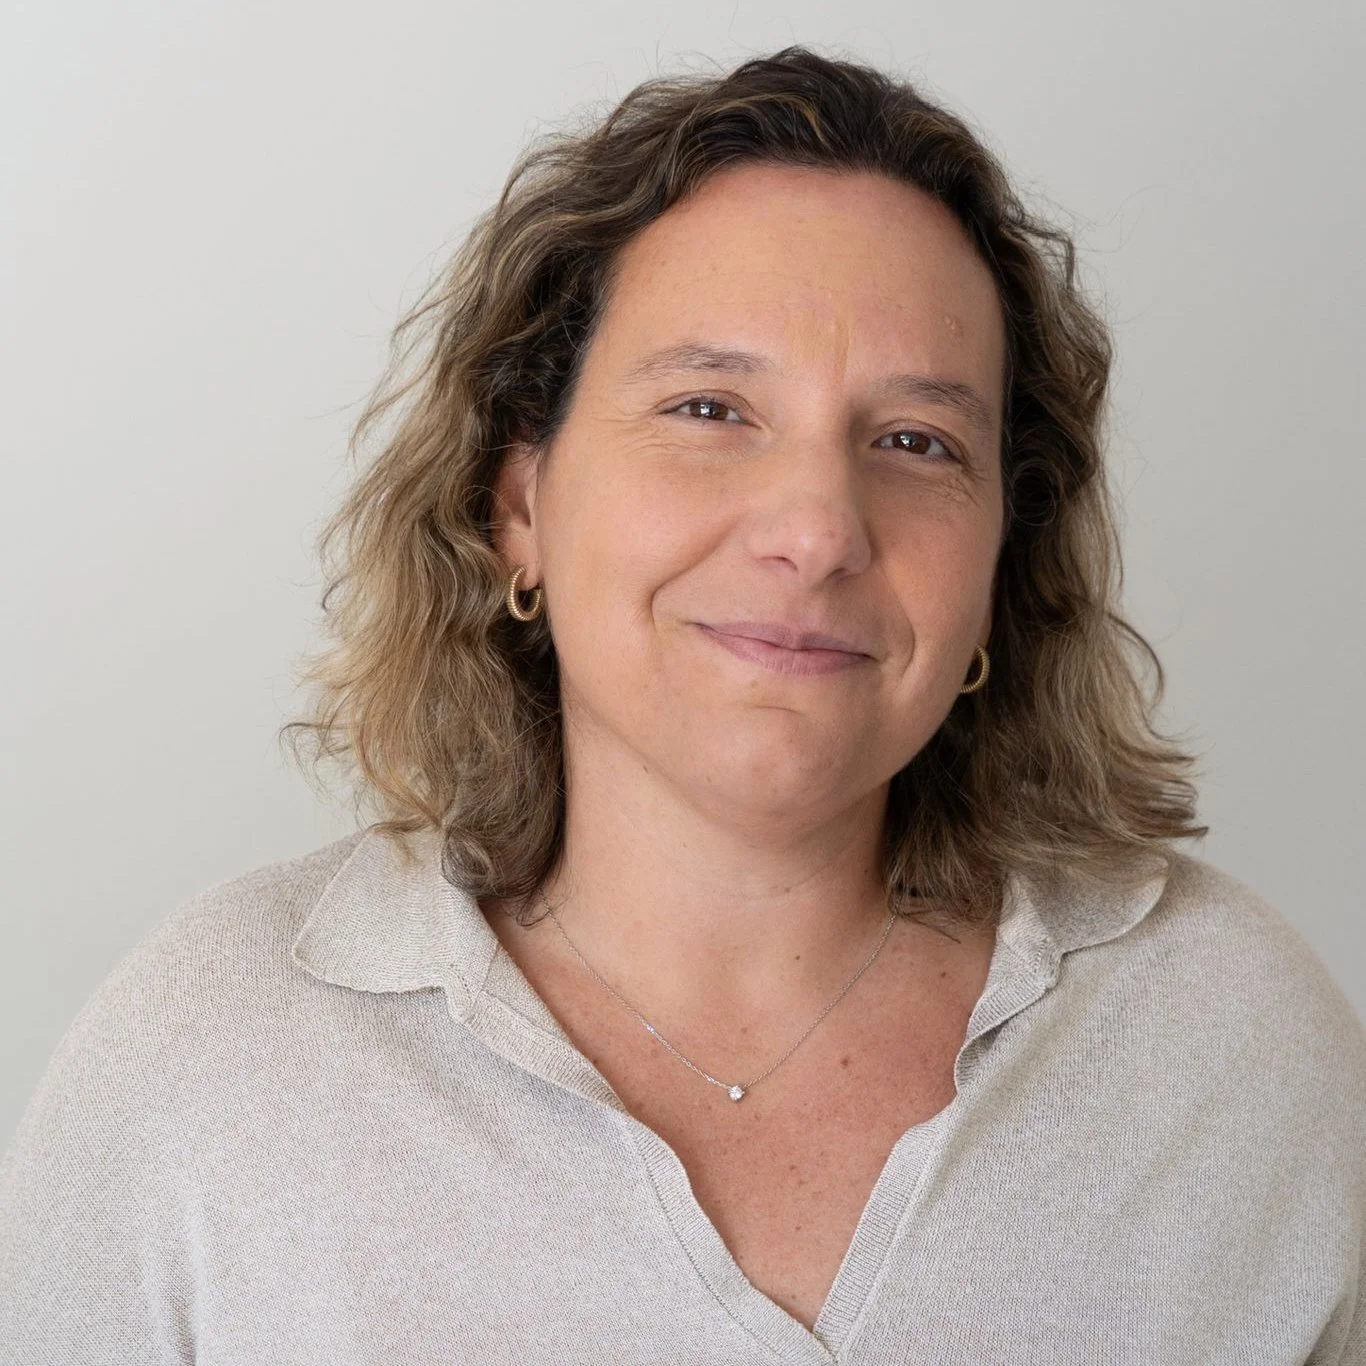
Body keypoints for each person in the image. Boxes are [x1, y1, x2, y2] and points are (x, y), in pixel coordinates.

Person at [2, 44, 1362, 1366]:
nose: (817, 527)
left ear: (1004, 560)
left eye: (914, 441)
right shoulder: (206, 1066)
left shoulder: (1234, 1056)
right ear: (518, 501)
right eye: (710, 406)